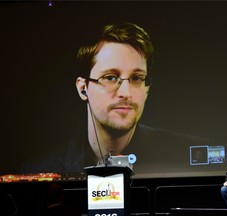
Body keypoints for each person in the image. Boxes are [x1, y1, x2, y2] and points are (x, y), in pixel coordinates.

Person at [21, 22, 212, 178]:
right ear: (83, 88)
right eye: (111, 77)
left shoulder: (189, 157)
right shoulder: (38, 170)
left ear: (147, 89)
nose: (126, 93)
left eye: (137, 78)